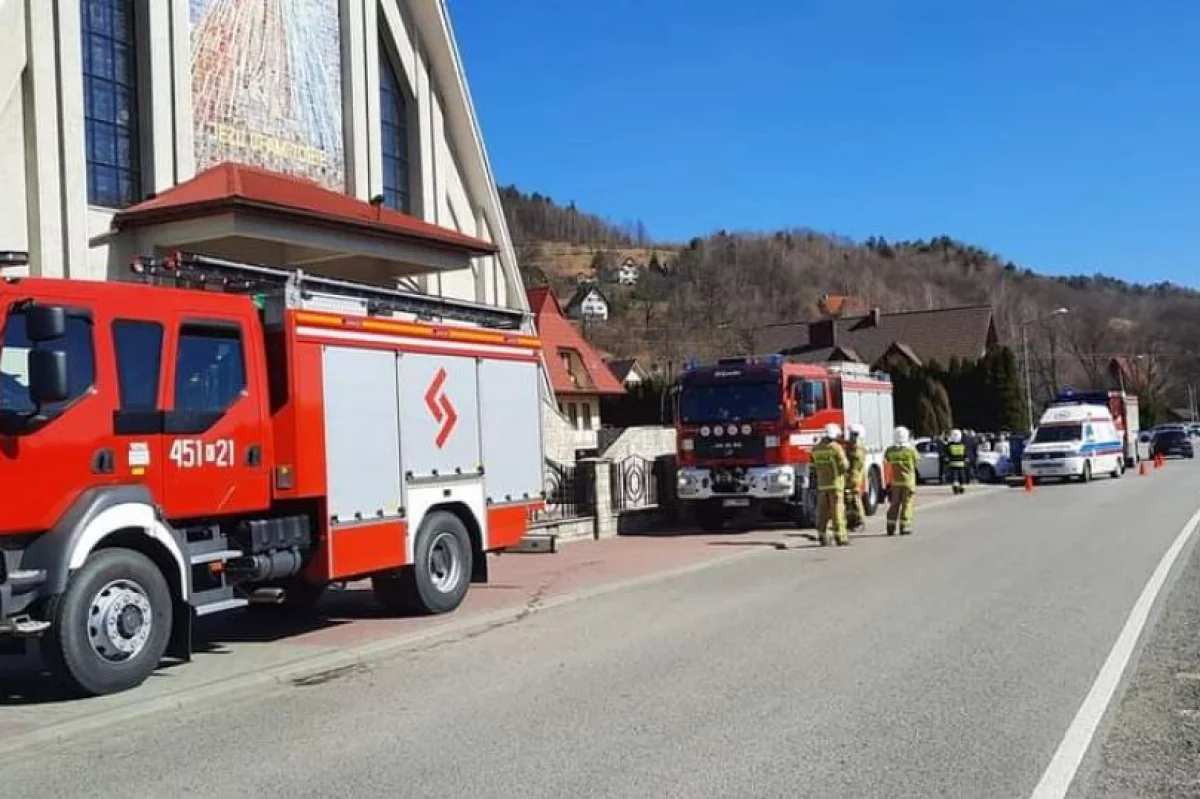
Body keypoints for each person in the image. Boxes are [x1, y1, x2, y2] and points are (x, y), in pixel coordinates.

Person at [811, 423, 850, 547]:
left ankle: (822, 536)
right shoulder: (836, 448)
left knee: (822, 512)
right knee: (837, 511)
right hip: (836, 485)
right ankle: (841, 537)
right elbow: (845, 466)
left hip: (822, 485)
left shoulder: (815, 449)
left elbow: (812, 468)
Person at [885, 426, 919, 535]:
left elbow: (887, 460)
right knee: (907, 505)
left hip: (895, 483)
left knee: (894, 504)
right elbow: (917, 461)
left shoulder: (890, 450)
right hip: (908, 482)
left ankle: (891, 526)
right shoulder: (910, 450)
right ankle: (904, 526)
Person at [844, 422, 868, 532]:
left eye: (853, 434)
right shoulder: (852, 447)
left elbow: (853, 465)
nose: (850, 437)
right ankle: (851, 521)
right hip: (851, 477)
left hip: (854, 478)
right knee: (849, 500)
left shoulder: (858, 450)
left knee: (855, 499)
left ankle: (860, 521)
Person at [946, 429, 969, 494]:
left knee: (954, 476)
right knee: (962, 475)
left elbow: (947, 454)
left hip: (953, 463)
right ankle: (962, 486)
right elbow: (965, 454)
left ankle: (955, 485)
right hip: (961, 463)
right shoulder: (963, 445)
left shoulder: (949, 445)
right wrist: (966, 459)